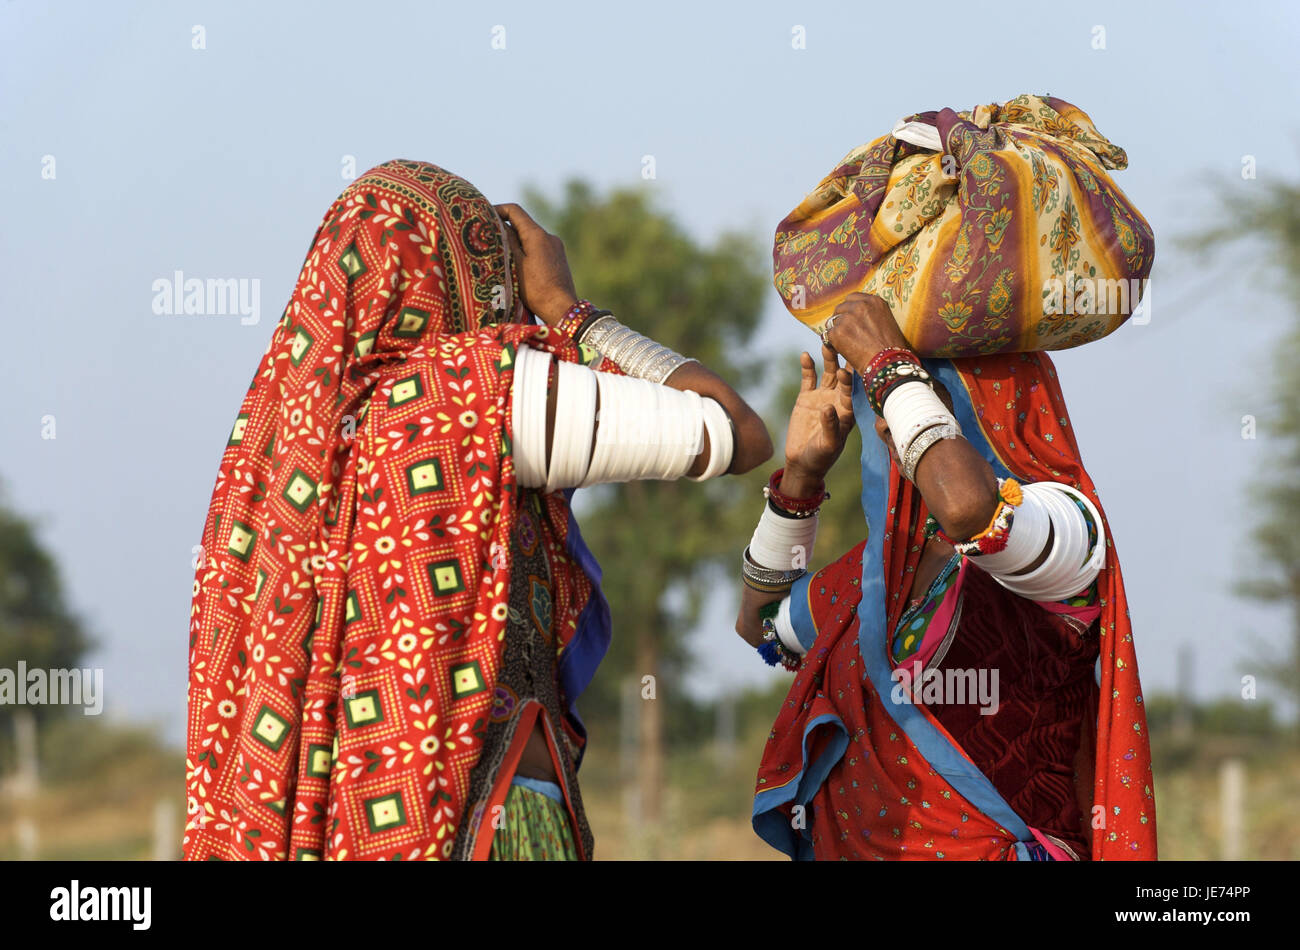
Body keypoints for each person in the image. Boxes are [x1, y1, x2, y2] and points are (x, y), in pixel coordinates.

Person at [185, 159, 771, 861]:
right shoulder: (470, 395)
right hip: (482, 821)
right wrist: (570, 311)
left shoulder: (274, 453)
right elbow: (735, 429)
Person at [736, 292, 1157, 860]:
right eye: (881, 406)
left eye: (912, 400)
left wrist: (888, 364)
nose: (892, 424)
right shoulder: (876, 575)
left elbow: (971, 511)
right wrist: (801, 480)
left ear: (987, 412)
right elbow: (762, 626)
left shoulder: (1069, 531)